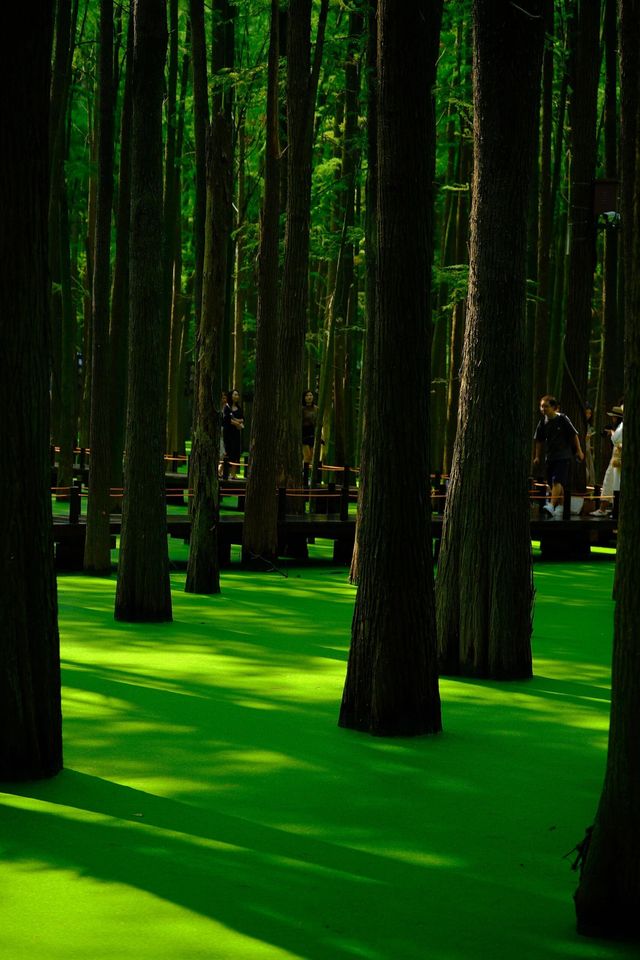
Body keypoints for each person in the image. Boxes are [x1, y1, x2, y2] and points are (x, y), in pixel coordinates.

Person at [533, 395, 584, 518]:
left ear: (554, 407)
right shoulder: (542, 422)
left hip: (563, 456)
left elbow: (574, 435)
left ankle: (551, 505)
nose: (543, 409)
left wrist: (579, 451)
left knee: (557, 481)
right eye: (541, 406)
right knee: (552, 483)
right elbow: (539, 440)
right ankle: (561, 506)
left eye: (546, 406)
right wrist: (537, 456)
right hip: (550, 457)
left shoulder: (562, 419)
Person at [593, 404, 623, 516]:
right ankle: (611, 509)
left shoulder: (621, 427)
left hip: (617, 458)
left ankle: (603, 509)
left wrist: (611, 433)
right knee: (613, 483)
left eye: (614, 417)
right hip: (616, 458)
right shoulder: (619, 427)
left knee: (608, 481)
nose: (612, 419)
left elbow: (616, 440)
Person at [222, 388, 244, 479]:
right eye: (235, 394)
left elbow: (243, 419)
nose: (236, 396)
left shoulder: (239, 408)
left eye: (237, 395)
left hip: (236, 434)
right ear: (231, 396)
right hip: (228, 434)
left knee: (235, 453)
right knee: (228, 453)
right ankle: (222, 471)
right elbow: (228, 420)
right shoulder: (227, 407)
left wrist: (237, 422)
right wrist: (238, 423)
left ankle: (233, 474)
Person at [302, 389, 319, 466]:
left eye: (311, 395)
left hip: (313, 432)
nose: (309, 397)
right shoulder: (302, 409)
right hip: (304, 433)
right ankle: (305, 477)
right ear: (304, 398)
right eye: (307, 395)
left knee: (313, 456)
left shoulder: (316, 409)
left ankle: (311, 476)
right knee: (307, 456)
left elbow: (318, 422)